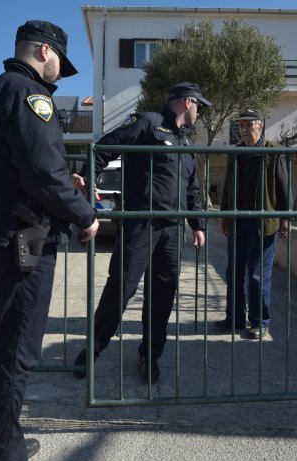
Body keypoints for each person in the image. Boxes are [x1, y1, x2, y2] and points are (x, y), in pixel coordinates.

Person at [0, 20, 99, 461]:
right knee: (15, 351)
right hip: (22, 240)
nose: (61, 74)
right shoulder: (29, 95)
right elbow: (41, 171)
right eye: (60, 61)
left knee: (0, 342)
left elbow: (24, 167)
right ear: (44, 50)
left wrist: (69, 187)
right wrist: (85, 215)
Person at [72, 82, 209, 383]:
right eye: (200, 106)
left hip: (172, 230)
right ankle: (91, 352)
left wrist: (198, 225)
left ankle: (149, 355)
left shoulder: (187, 145)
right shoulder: (148, 123)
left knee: (162, 295)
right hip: (141, 224)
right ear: (188, 102)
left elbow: (192, 190)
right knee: (121, 289)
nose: (200, 113)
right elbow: (105, 147)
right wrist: (86, 176)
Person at [216, 110, 290, 339]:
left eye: (249, 125)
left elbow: (283, 186)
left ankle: (259, 322)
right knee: (234, 272)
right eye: (241, 126)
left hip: (263, 222)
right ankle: (235, 318)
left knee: (257, 274)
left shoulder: (273, 152)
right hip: (238, 220)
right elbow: (228, 186)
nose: (244, 130)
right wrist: (225, 216)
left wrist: (285, 217)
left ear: (261, 126)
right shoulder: (237, 152)